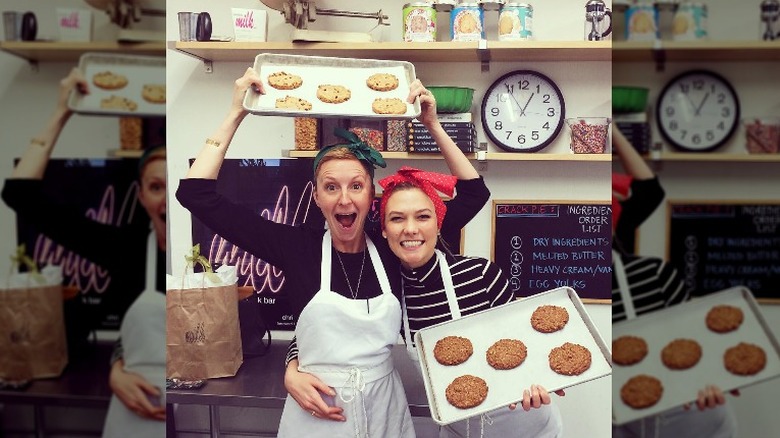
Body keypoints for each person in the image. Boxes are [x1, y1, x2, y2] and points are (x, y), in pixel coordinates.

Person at [175, 67, 489, 437]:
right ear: (316, 197)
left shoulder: (394, 244)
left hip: (384, 409)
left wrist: (432, 125)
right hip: (317, 413)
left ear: (371, 195)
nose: (344, 198)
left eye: (356, 186)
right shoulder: (295, 248)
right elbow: (195, 195)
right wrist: (236, 112)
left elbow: (474, 193)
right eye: (331, 187)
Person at [1, 68, 167, 430]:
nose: (166, 198)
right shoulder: (123, 249)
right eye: (156, 186)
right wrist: (63, 110)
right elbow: (19, 195)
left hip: (192, 413)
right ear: (141, 196)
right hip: (134, 410)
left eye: (176, 186)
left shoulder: (209, 256)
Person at [611, 123, 738, 438]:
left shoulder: (654, 274)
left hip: (683, 409)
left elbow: (695, 344)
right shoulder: (568, 289)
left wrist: (712, 377)